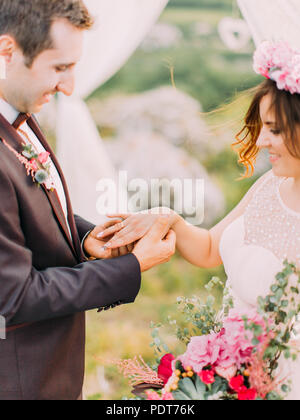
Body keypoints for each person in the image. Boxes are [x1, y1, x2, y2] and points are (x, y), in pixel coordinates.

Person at [99, 40, 300, 399]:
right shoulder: (271, 184)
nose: (263, 140)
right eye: (262, 126)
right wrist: (168, 219)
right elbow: (209, 249)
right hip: (229, 376)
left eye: (276, 129)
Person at [0, 0, 176, 400]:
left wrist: (86, 238)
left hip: (51, 371)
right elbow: (16, 295)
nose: (70, 86)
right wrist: (132, 266)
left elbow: (22, 214)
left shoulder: (20, 112)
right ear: (7, 52)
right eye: (59, 67)